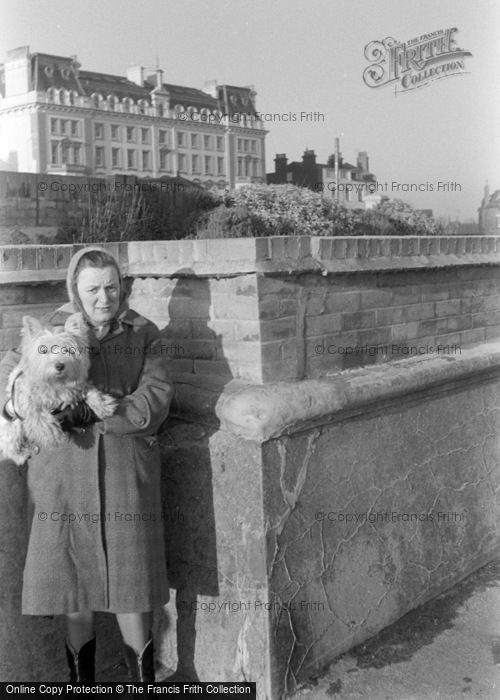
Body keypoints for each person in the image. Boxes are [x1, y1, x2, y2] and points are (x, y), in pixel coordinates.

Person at [0, 246, 173, 682]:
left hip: (123, 474)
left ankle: (143, 686)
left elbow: (155, 398)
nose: (104, 297)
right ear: (75, 291)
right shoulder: (50, 332)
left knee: (132, 588)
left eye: (112, 287)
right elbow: (11, 381)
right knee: (73, 587)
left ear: (123, 287)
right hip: (62, 476)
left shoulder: (143, 333)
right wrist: (19, 407)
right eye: (92, 288)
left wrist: (98, 412)